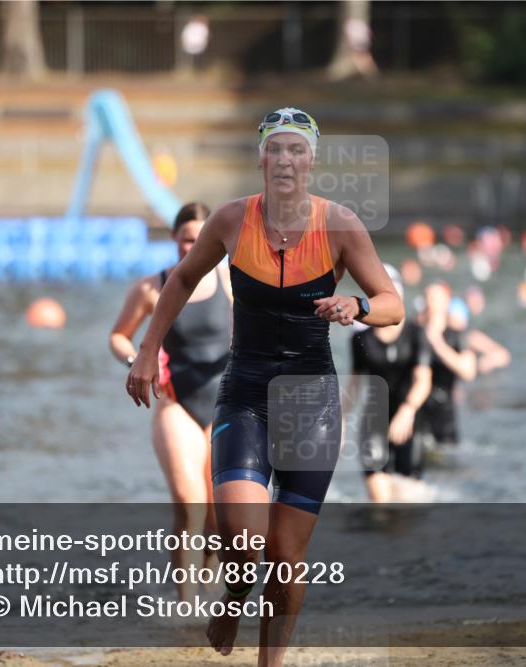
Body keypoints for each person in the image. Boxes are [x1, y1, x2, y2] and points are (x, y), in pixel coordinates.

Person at [125, 108, 403, 666]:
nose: (285, 160)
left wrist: (357, 305)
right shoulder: (231, 220)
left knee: (286, 554)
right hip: (247, 393)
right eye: (275, 149)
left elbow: (393, 305)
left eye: (296, 150)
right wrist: (148, 347)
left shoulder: (340, 225)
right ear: (261, 158)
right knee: (244, 541)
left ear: (311, 160)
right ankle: (233, 596)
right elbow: (182, 279)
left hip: (311, 402)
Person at [110, 202, 231, 600]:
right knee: (189, 502)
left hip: (224, 403)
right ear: (174, 239)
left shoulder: (232, 281)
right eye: (186, 240)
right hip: (175, 403)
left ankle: (212, 594)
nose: (192, 248)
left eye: (201, 240)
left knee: (218, 513)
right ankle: (186, 603)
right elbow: (119, 336)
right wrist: (137, 361)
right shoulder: (151, 288)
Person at [345, 264, 432, 503]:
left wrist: (408, 410)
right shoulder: (361, 339)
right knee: (381, 504)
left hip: (409, 421)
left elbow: (423, 381)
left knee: (408, 502)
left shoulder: (416, 334)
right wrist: (341, 422)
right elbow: (354, 385)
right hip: (374, 421)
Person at [416, 283, 510, 450]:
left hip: (444, 408)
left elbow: (468, 372)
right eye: (427, 299)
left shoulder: (457, 336)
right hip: (417, 407)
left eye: (435, 299)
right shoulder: (415, 332)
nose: (430, 304)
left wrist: (437, 344)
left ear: (446, 303)